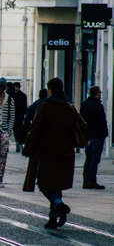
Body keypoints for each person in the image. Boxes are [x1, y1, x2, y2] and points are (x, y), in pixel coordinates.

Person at [23, 78, 86, 229]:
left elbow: (35, 129)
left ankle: (59, 205)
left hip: (46, 152)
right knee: (56, 185)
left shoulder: (44, 107)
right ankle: (53, 218)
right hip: (65, 154)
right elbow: (81, 126)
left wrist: (28, 147)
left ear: (50, 89)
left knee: (44, 184)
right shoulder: (70, 108)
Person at [80, 86, 108, 190]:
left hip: (89, 136)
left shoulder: (84, 104)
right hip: (97, 136)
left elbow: (82, 121)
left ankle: (86, 181)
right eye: (99, 92)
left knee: (88, 159)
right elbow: (101, 122)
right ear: (97, 94)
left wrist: (85, 137)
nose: (100, 94)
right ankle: (91, 181)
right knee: (94, 159)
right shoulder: (97, 105)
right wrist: (104, 134)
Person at [13, 82, 28, 152]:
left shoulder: (14, 96)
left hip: (16, 115)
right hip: (19, 115)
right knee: (18, 130)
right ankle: (19, 143)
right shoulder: (23, 95)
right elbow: (25, 106)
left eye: (16, 86)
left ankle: (18, 143)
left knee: (16, 130)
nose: (15, 88)